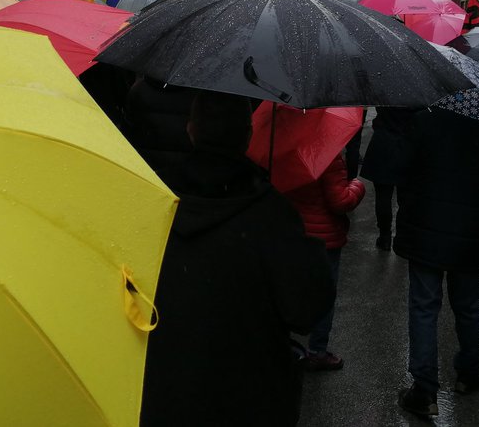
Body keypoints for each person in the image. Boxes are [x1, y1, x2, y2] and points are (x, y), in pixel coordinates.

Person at [141, 91, 334, 427]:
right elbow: (306, 309)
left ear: (190, 130)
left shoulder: (154, 199)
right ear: (247, 135)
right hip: (249, 393)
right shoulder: (271, 213)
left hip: (166, 387)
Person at [393, 108, 479, 418]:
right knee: (468, 305)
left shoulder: (422, 119)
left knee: (423, 306)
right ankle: (469, 372)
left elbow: (402, 174)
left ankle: (424, 389)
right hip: (468, 234)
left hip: (425, 230)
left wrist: (413, 211)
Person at [285, 149, 366, 370]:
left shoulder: (286, 149)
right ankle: (317, 351)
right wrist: (357, 186)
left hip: (292, 232)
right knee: (324, 293)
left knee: (291, 290)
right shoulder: (328, 156)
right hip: (323, 239)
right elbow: (340, 201)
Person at [360, 106, 412, 251]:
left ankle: (385, 236)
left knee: (383, 196)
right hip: (407, 145)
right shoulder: (419, 94)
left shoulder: (386, 90)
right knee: (405, 197)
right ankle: (402, 235)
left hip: (383, 143)